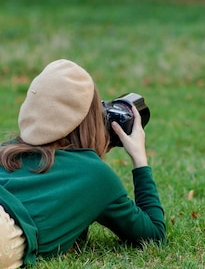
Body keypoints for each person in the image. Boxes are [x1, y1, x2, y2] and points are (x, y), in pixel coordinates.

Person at [0, 59, 165, 268]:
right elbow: (153, 236)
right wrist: (140, 161)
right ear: (90, 119)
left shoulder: (6, 151)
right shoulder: (95, 175)